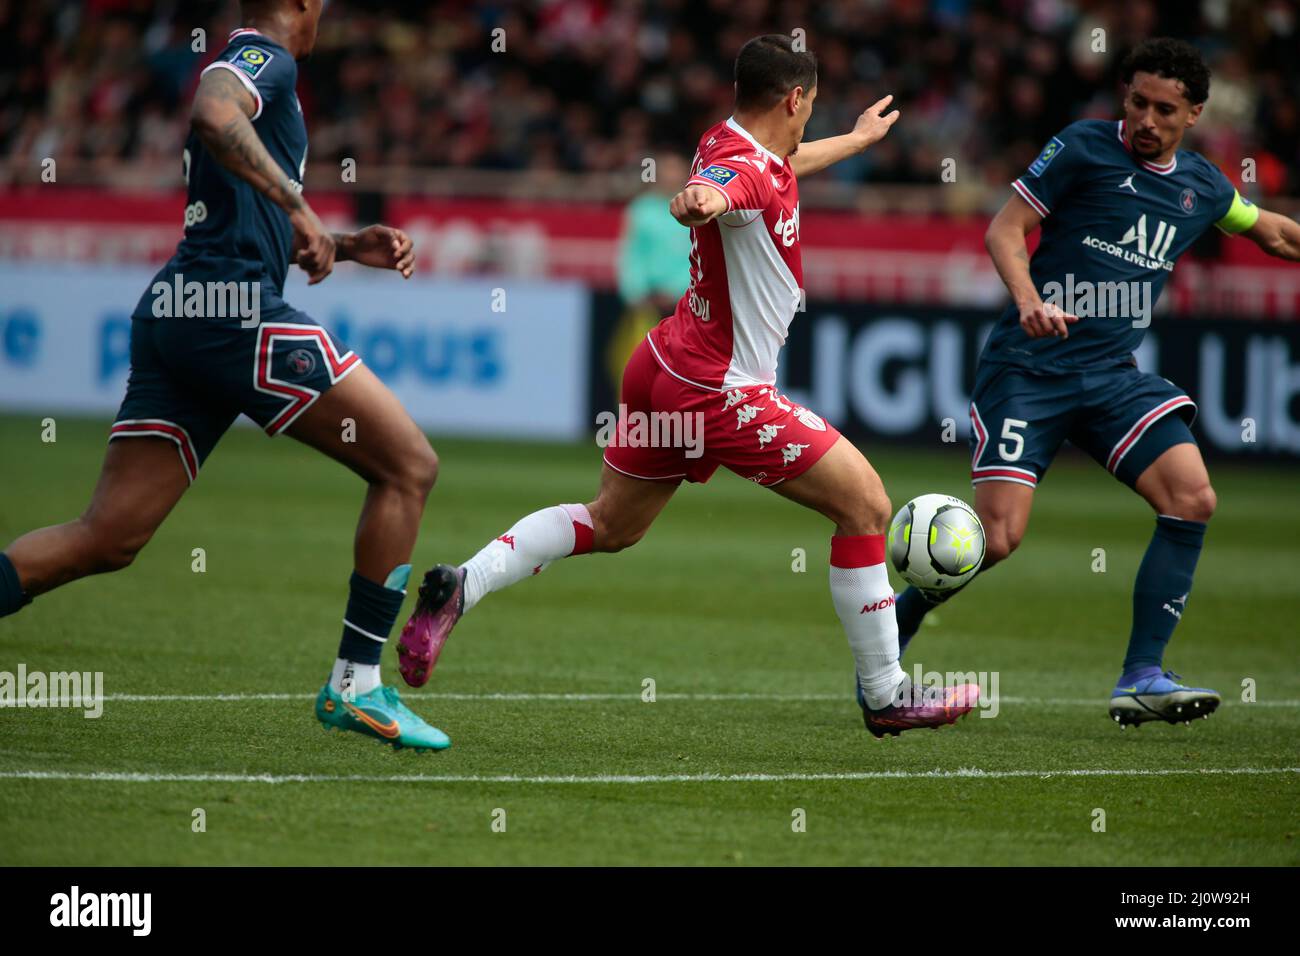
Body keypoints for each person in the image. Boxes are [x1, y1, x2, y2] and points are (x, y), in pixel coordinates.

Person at [397, 34, 982, 738]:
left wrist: (854, 141)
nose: (806, 123)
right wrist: (695, 202)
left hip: (662, 363)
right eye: (810, 109)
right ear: (794, 98)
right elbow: (720, 193)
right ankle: (886, 694)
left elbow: (779, 164)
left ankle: (466, 583)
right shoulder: (743, 175)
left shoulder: (729, 139)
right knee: (866, 506)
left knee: (611, 523)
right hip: (721, 391)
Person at [0, 0, 451, 751]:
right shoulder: (261, 59)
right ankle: (357, 686)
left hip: (182, 309)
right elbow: (213, 112)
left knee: (106, 537)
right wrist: (303, 208)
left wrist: (337, 241)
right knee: (408, 466)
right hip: (233, 315)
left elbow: (232, 199)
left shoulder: (264, 68)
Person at [893, 38, 1300, 727]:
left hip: (1111, 376)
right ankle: (886, 642)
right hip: (1029, 369)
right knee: (996, 540)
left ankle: (1141, 675)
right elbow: (1005, 229)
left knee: (1193, 498)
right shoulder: (1083, 148)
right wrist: (1028, 300)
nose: (1145, 118)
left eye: (1164, 109)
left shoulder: (1205, 186)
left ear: (1194, 113)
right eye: (1137, 101)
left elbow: (1275, 234)